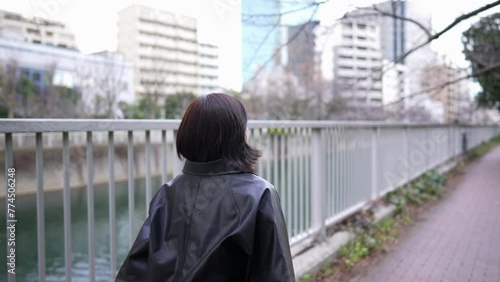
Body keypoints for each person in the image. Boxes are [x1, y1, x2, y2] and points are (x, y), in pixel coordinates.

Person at [116, 93, 295, 282]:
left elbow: (133, 271)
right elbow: (277, 275)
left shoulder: (167, 193)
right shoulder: (259, 194)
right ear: (237, 135)